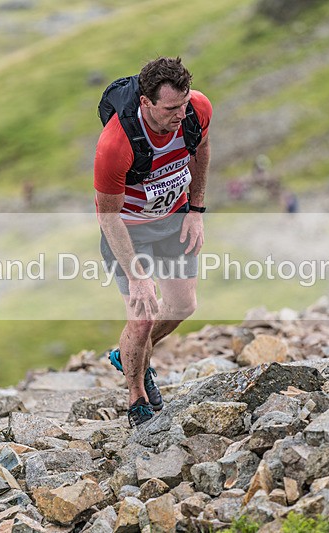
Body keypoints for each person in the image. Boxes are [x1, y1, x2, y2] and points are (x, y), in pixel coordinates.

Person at [93, 57, 212, 427]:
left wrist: (196, 210)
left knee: (182, 305)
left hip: (174, 221)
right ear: (146, 103)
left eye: (184, 104)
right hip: (129, 231)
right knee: (142, 317)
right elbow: (108, 217)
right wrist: (137, 275)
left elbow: (201, 151)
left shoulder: (196, 111)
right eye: (171, 108)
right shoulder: (116, 144)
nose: (181, 114)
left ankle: (130, 356)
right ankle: (137, 398)